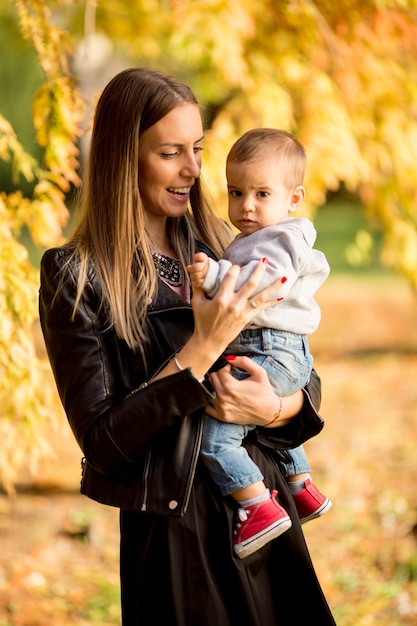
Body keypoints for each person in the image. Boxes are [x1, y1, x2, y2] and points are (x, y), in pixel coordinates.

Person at [39, 67, 336, 625]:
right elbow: (103, 444)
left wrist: (275, 408)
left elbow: (297, 365)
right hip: (179, 537)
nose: (194, 169)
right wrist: (204, 345)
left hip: (265, 508)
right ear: (124, 158)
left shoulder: (228, 246)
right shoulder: (78, 275)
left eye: (197, 149)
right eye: (171, 152)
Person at [187, 128, 332, 559]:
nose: (246, 205)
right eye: (236, 192)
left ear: (293, 198)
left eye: (261, 194)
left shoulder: (282, 237)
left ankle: (255, 504)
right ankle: (299, 486)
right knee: (251, 409)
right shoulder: (258, 235)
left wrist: (214, 277)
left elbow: (270, 282)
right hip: (278, 350)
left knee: (217, 436)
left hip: (273, 350)